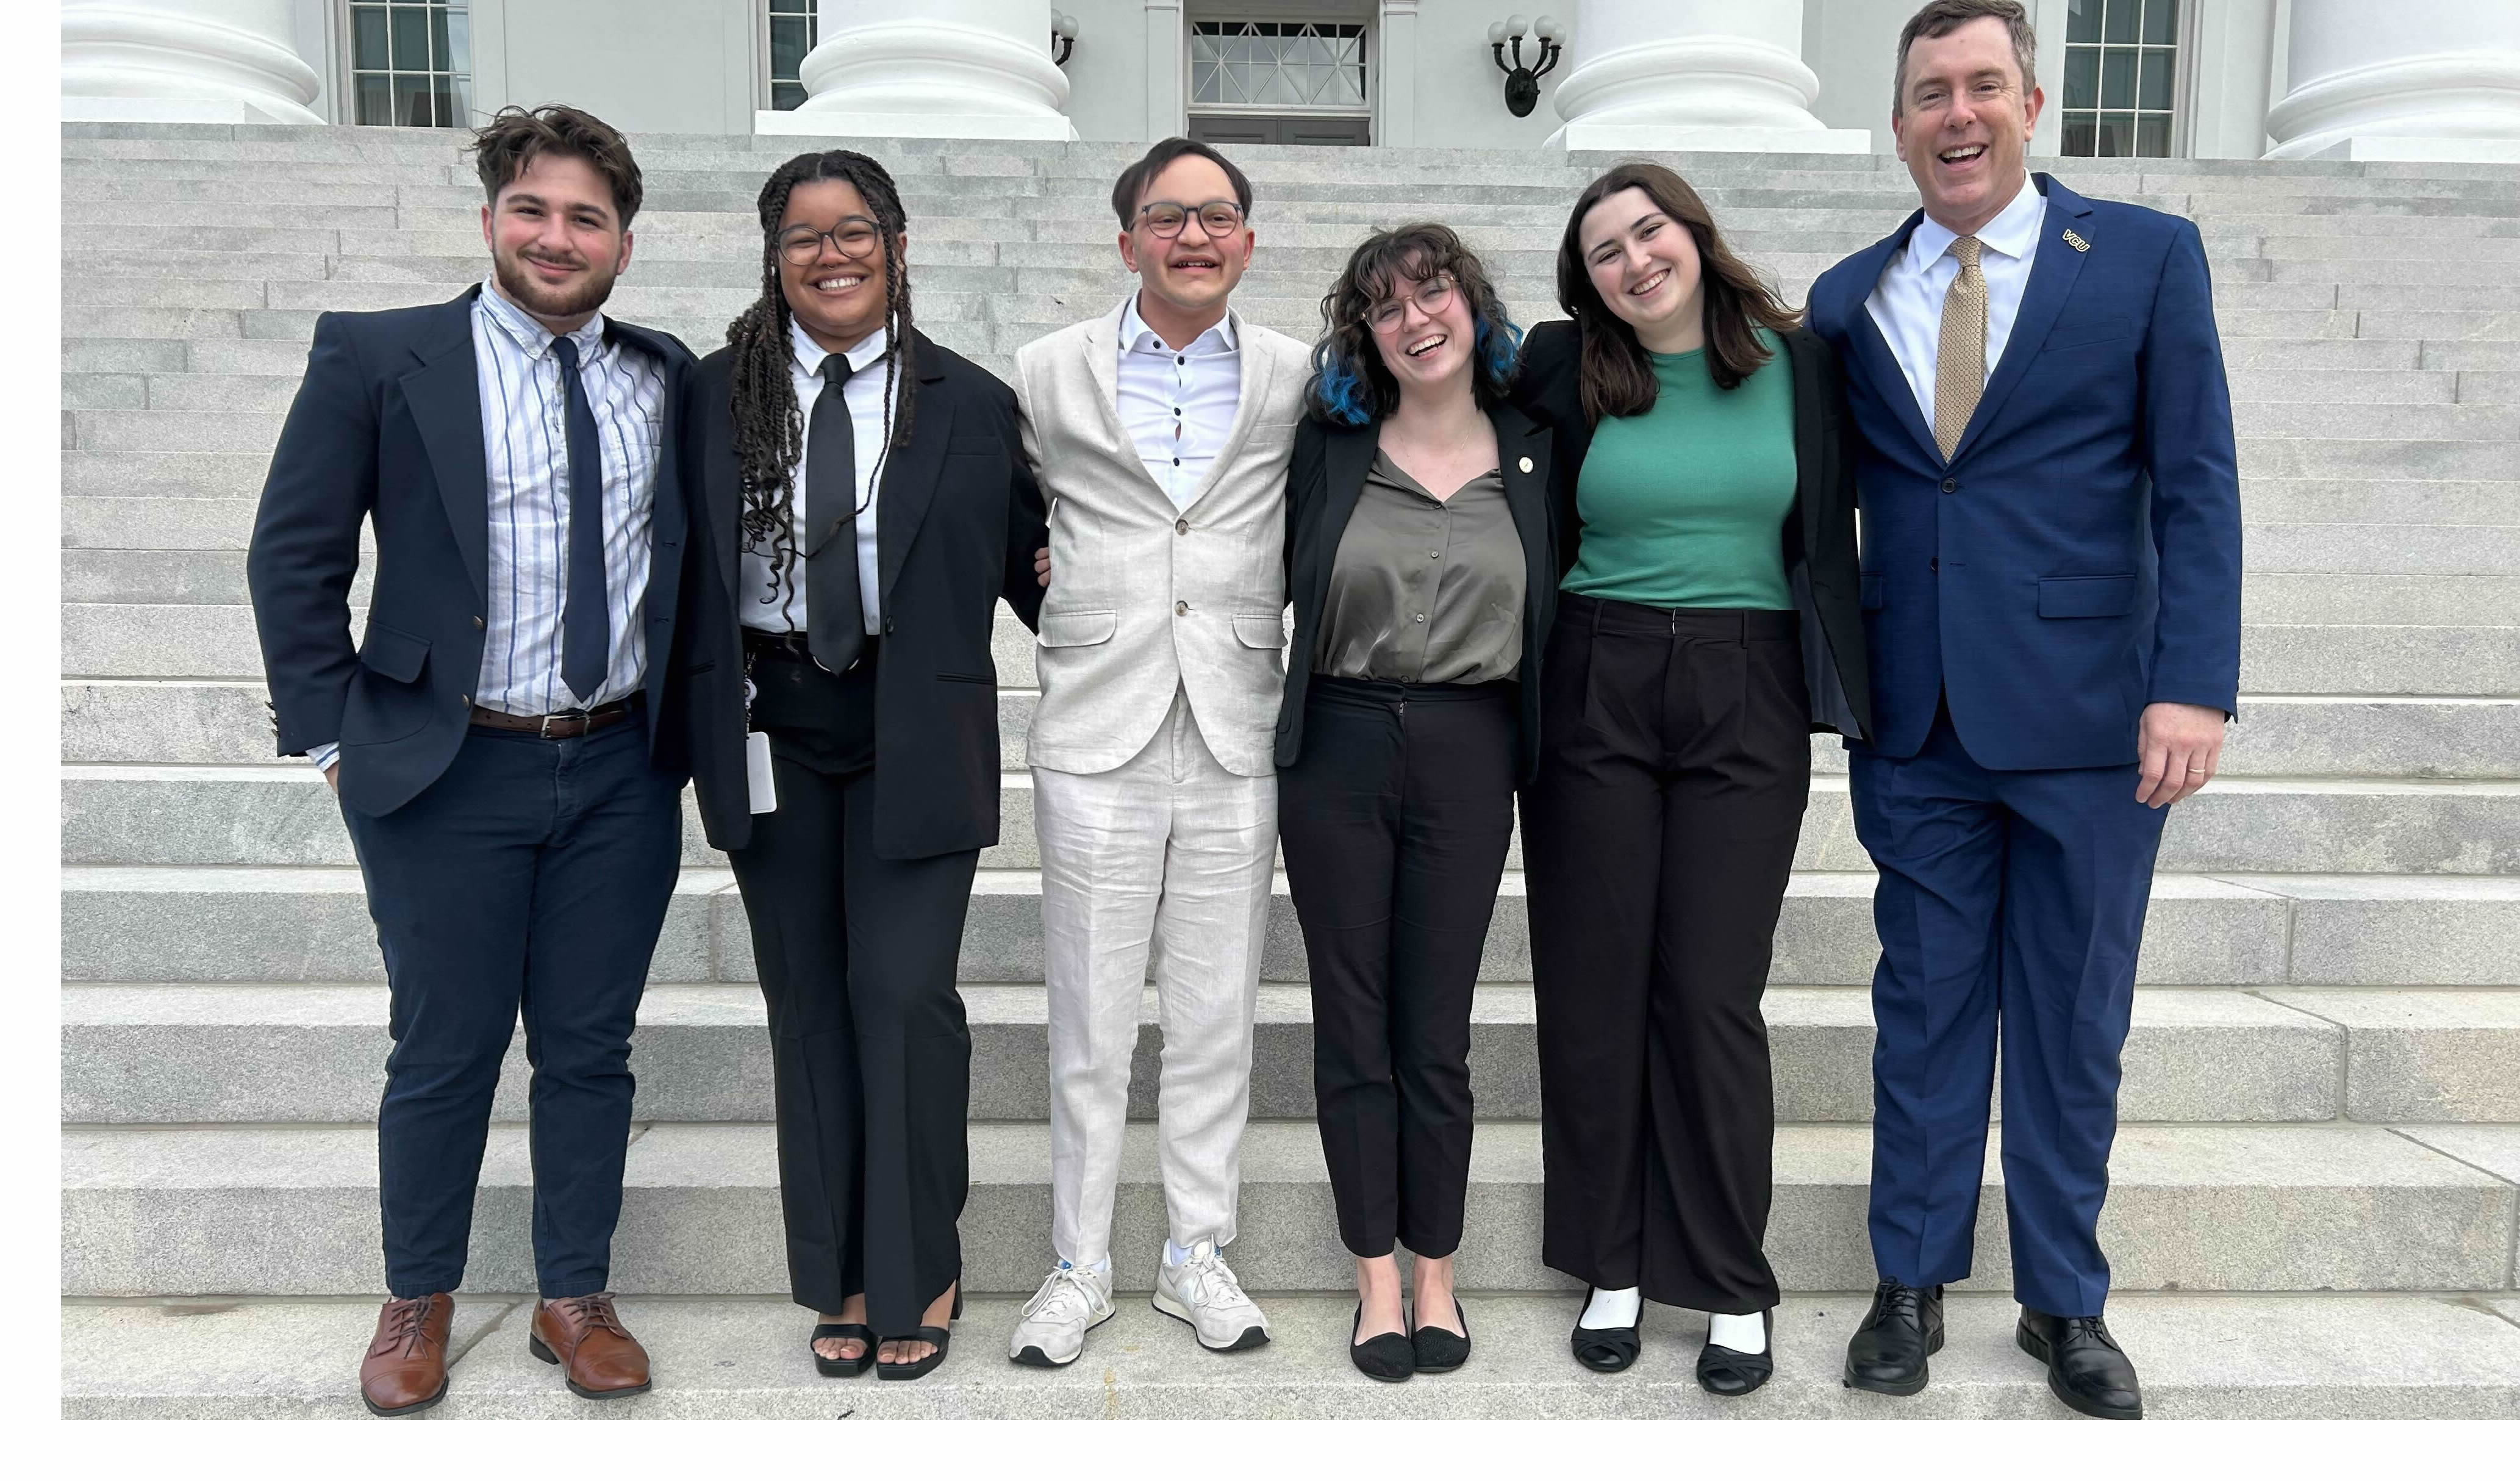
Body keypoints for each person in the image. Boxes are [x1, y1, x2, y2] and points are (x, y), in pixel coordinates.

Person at [1803, 0, 2241, 1421]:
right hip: (1917, 723)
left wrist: (2191, 681)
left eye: (1981, 84)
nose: (1956, 115)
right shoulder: (1842, 296)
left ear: (2030, 104)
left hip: (2091, 722)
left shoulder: (2140, 259)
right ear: (1897, 126)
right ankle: (1908, 1284)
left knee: (2068, 1019)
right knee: (1922, 1010)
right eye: (1929, 92)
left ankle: (2064, 1301)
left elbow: (2194, 482)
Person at [247, 105, 695, 1416]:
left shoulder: (664, 375)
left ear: (623, 239)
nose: (557, 238)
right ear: (493, 217)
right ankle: (418, 1297)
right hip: (444, 770)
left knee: (590, 1047)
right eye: (533, 210)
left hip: (617, 765)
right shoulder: (384, 357)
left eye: (586, 218)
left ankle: (573, 1294)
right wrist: (334, 738)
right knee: (442, 1047)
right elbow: (295, 556)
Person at [678, 149, 1047, 1382]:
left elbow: (1039, 569)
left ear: (896, 244)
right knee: (810, 1006)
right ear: (771, 255)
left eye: (853, 232)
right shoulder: (709, 393)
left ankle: (918, 1264)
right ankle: (839, 1265)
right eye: (801, 236)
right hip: (769, 725)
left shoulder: (972, 401)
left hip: (915, 730)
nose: (829, 256)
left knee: (901, 996)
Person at [1514, 162, 1871, 1397]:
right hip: (1594, 674)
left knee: (1710, 991)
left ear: (1692, 233)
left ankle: (1727, 1273)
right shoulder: (1562, 369)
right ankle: (1607, 1258)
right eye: (1604, 249)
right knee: (1593, 980)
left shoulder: (1802, 362)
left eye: (1646, 230)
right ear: (1586, 280)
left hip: (1747, 680)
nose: (1631, 260)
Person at [1002, 138, 1310, 1368]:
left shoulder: (1297, 373)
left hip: (1234, 718)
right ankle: (1077, 1260)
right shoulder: (1042, 371)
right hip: (1093, 726)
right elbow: (994, 510)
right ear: (1125, 236)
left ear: (1245, 238)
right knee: (1087, 1012)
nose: (1193, 235)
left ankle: (1196, 1250)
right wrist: (1044, 583)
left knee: (1214, 1008)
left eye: (1217, 215)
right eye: (1166, 215)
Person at [1278, 224, 1556, 1382]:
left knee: (1435, 1031)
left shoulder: (1542, 450)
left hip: (1471, 742)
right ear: (1366, 334)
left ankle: (1435, 1269)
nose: (1415, 320)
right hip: (1339, 740)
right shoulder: (1331, 446)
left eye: (1433, 293)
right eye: (1387, 308)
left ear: (1472, 306)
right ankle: (1375, 1284)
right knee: (1354, 1023)